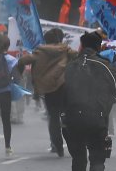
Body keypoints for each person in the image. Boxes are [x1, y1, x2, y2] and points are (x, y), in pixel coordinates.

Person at [62, 31, 116, 171]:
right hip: (96, 117)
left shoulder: (70, 66)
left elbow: (60, 91)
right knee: (98, 155)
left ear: (81, 46)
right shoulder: (105, 66)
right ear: (99, 47)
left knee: (78, 157)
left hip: (72, 119)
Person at [15, 28, 77, 157]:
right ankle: (69, 135)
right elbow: (79, 57)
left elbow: (22, 61)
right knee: (68, 115)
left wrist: (19, 75)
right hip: (65, 86)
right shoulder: (66, 50)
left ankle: (57, 145)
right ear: (60, 39)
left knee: (53, 117)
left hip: (49, 89)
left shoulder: (39, 52)